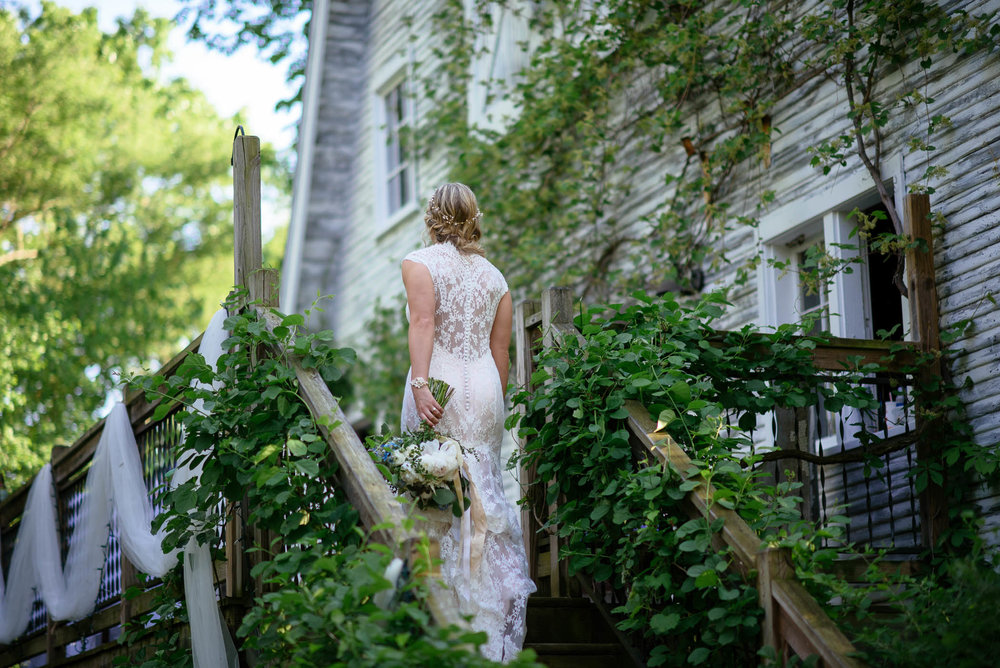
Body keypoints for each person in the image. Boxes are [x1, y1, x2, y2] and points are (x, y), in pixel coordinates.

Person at [400, 183, 536, 662]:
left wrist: (421, 385)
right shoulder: (496, 278)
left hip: (439, 380)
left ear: (433, 215)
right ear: (475, 217)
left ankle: (448, 617)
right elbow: (501, 353)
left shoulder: (418, 263)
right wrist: (492, 408)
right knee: (484, 491)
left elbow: (424, 325)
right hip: (484, 391)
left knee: (439, 491)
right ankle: (492, 618)